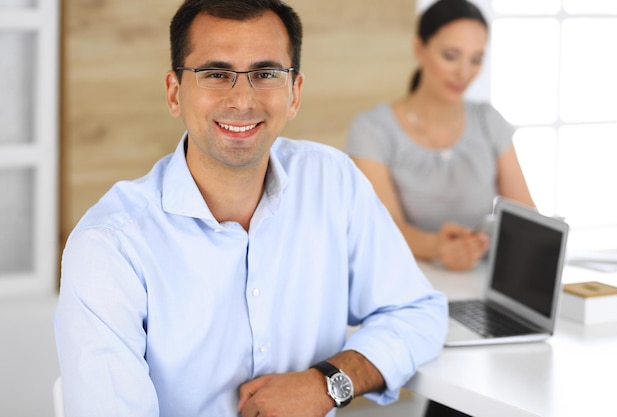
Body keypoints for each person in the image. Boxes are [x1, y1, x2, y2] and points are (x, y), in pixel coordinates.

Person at [54, 1, 448, 416]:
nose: (242, 100)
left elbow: (417, 312)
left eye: (265, 74)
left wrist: (326, 383)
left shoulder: (332, 182)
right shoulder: (109, 247)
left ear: (294, 94)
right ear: (175, 93)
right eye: (216, 74)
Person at [345, 0, 534, 272]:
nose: (464, 72)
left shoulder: (488, 120)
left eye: (476, 59)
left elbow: (526, 216)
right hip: (403, 278)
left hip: (478, 279)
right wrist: (437, 248)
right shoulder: (373, 129)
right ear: (419, 49)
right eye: (450, 55)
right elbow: (385, 228)